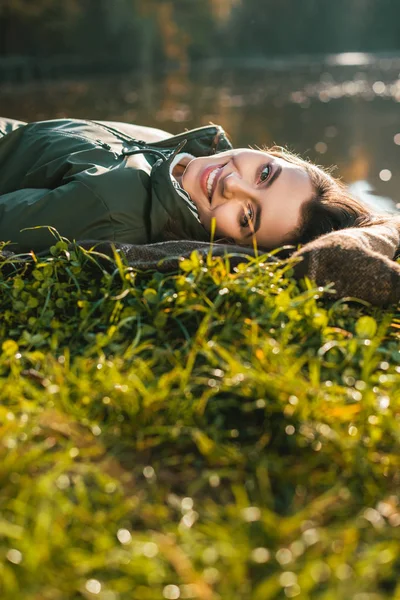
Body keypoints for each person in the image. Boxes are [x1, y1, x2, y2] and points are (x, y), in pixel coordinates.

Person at [0, 116, 372, 254]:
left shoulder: (113, 210)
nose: (232, 184)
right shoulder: (177, 153)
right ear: (269, 153)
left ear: (227, 243)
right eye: (264, 174)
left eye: (247, 216)